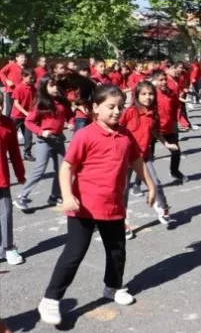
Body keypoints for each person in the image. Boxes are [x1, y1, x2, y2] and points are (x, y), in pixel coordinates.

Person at [37, 85, 157, 326]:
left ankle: (112, 287)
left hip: (112, 205)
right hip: (83, 206)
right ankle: (50, 299)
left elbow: (136, 160)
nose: (116, 112)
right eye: (110, 107)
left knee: (117, 250)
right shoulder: (86, 135)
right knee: (74, 254)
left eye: (120, 107)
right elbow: (67, 167)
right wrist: (67, 195)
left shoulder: (125, 135)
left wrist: (151, 185)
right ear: (95, 108)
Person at [120, 81, 178, 238]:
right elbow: (118, 128)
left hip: (144, 156)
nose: (148, 97)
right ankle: (122, 222)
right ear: (137, 96)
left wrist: (166, 143)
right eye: (144, 94)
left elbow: (154, 131)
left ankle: (163, 208)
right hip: (126, 157)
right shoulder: (130, 112)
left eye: (151, 94)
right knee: (123, 191)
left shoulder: (153, 113)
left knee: (156, 183)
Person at [14, 76, 72, 211]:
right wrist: (41, 132)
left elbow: (70, 116)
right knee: (39, 169)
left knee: (62, 169)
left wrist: (71, 123)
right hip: (44, 142)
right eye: (52, 85)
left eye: (57, 85)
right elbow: (29, 122)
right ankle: (21, 196)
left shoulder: (63, 102)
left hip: (58, 140)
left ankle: (55, 195)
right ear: (44, 87)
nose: (55, 88)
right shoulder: (40, 103)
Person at [0, 95, 25, 265]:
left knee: (5, 214)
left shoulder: (8, 124)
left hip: (1, 178)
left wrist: (20, 174)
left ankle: (8, 247)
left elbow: (15, 152)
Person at [151, 70, 187, 183]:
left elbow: (177, 106)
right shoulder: (151, 94)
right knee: (147, 158)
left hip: (168, 128)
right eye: (161, 80)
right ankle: (137, 183)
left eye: (165, 79)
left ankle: (174, 171)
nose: (164, 82)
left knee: (176, 152)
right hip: (153, 129)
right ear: (155, 81)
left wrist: (179, 121)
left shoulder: (171, 93)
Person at [11, 69, 36, 161]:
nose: (32, 80)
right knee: (10, 136)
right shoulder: (19, 88)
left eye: (33, 78)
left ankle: (27, 154)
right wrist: (25, 112)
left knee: (28, 136)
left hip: (27, 117)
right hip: (17, 116)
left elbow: (35, 101)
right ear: (24, 77)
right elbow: (16, 104)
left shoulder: (33, 88)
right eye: (30, 78)